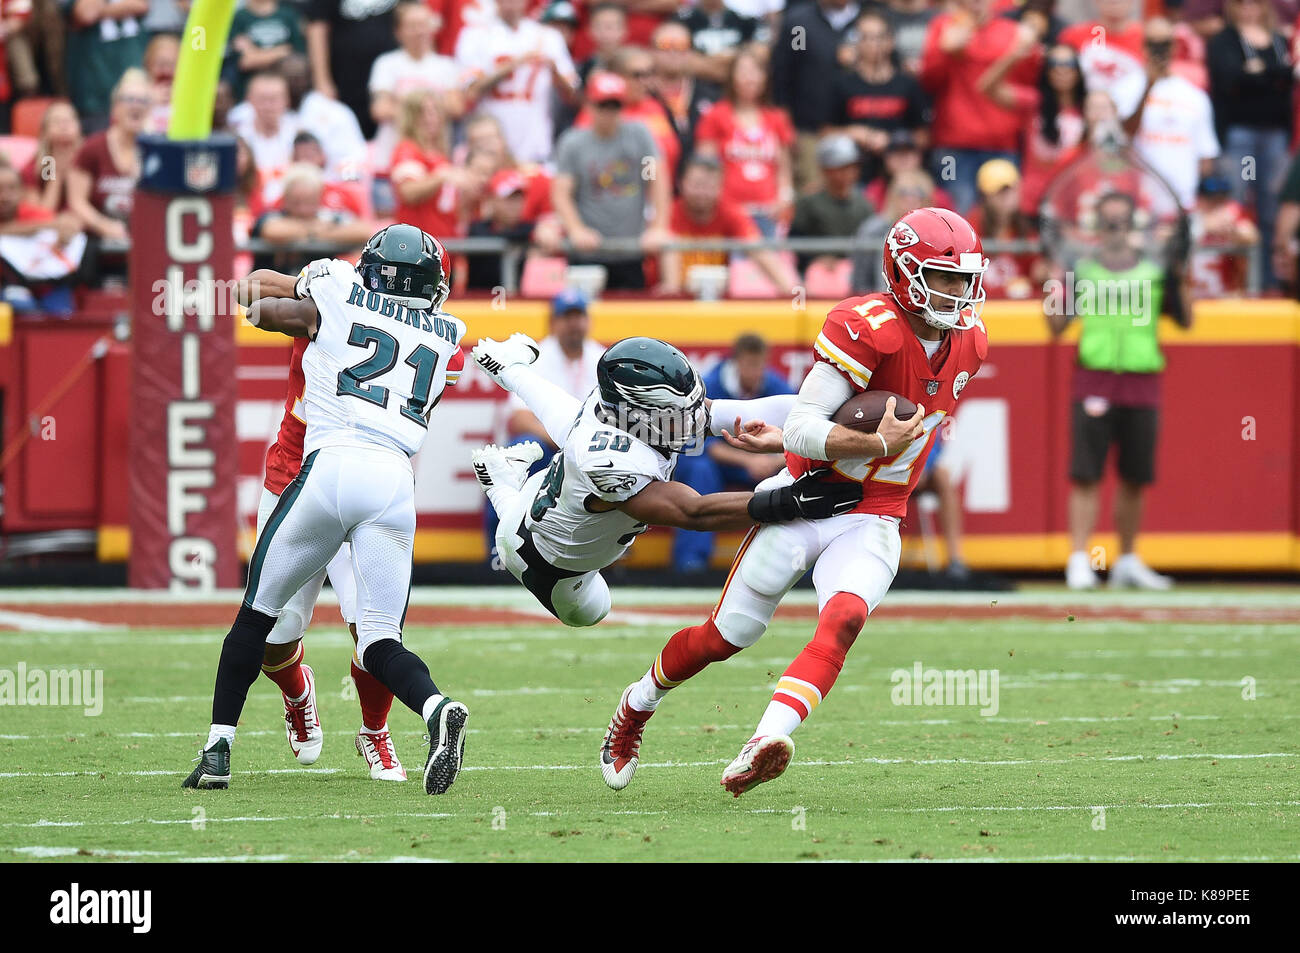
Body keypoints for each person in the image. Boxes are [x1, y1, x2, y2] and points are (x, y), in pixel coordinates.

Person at [597, 207, 988, 796]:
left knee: (846, 617)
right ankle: (635, 705)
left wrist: (856, 444)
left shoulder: (971, 343)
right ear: (904, 273)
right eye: (945, 277)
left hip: (877, 509)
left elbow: (879, 420)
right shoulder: (865, 326)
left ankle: (764, 738)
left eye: (965, 278)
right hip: (808, 497)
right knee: (725, 637)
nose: (959, 293)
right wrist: (869, 439)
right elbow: (808, 427)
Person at [184, 225, 470, 794]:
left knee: (259, 613)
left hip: (327, 468)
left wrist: (264, 289)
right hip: (373, 478)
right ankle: (420, 705)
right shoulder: (448, 333)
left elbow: (260, 309)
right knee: (358, 636)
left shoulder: (337, 292)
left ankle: (234, 746)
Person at [469, 333, 862, 628]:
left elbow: (745, 410)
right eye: (675, 412)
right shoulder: (608, 460)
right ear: (633, 413)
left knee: (568, 425)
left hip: (549, 496)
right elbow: (693, 511)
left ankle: (509, 371)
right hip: (549, 562)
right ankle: (504, 484)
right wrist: (791, 501)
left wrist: (828, 410)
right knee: (591, 611)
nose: (691, 419)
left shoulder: (617, 408)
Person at [1046, 191, 1191, 590]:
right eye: (1107, 222)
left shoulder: (1155, 270)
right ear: (1096, 225)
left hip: (1142, 377)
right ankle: (1079, 559)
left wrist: (1180, 270)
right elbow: (1056, 327)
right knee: (1086, 473)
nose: (1114, 230)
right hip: (1094, 375)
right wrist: (1053, 283)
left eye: (1120, 222)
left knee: (1135, 475)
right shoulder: (1082, 268)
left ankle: (1126, 558)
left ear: (1132, 224)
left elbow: (1186, 319)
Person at [672, 333, 794, 573]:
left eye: (761, 364)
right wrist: (750, 461)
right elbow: (699, 442)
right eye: (750, 364)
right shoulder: (710, 385)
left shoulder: (775, 385)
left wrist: (773, 461)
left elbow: (799, 434)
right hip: (723, 463)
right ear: (736, 362)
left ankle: (795, 563)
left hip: (766, 461)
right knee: (699, 469)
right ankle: (691, 563)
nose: (756, 371)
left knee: (799, 471)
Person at [919, 0, 1044, 214]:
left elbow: (1029, 87)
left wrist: (1032, 52)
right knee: (956, 214)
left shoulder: (1014, 32)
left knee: (1004, 216)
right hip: (953, 146)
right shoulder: (944, 26)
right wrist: (944, 51)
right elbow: (928, 83)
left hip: (1002, 144)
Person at [551, 71, 672, 292]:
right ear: (589, 105)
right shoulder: (574, 143)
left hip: (630, 250)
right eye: (602, 106)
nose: (609, 113)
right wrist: (576, 229)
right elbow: (562, 192)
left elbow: (654, 178)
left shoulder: (638, 135)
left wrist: (658, 226)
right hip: (588, 251)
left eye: (614, 106)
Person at [1206, 0, 1291, 287]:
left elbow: (1287, 78)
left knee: (1270, 208)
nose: (1248, 9)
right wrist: (1272, 74)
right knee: (1238, 207)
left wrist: (1259, 72)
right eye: (1242, 3)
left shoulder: (1279, 39)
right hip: (1243, 136)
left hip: (1274, 134)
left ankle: (1267, 279)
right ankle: (1235, 280)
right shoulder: (1225, 40)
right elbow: (1230, 79)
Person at [455, 0, 579, 165]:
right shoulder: (475, 35)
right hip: (490, 146)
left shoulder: (546, 36)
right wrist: (513, 65)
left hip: (534, 141)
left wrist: (553, 69)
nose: (511, 4)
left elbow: (573, 92)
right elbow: (470, 91)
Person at [1118, 17, 1221, 210]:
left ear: (1174, 47)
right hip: (1137, 199)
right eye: (1153, 44)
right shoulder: (1124, 88)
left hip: (1182, 199)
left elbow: (1206, 156)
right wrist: (1148, 87)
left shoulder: (1195, 95)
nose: (1159, 51)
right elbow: (1124, 136)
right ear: (1143, 46)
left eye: (1164, 44)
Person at [693, 47, 795, 237]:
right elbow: (704, 168)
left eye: (756, 72)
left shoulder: (777, 118)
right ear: (732, 77)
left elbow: (784, 169)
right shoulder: (715, 116)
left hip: (769, 213)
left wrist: (784, 198)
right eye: (744, 72)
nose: (750, 78)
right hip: (727, 212)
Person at [662, 153, 796, 295]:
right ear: (681, 183)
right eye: (697, 185)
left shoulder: (730, 213)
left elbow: (758, 250)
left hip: (715, 298)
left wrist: (791, 291)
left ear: (721, 187)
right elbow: (667, 251)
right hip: (671, 299)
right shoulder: (667, 213)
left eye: (710, 186)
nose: (702, 193)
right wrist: (671, 293)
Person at [769, 0, 864, 190]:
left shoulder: (869, 20)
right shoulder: (799, 24)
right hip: (809, 131)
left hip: (860, 132)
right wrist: (786, 127)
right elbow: (781, 77)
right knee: (812, 192)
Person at [830, 8, 931, 185]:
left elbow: (923, 136)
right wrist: (854, 133)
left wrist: (895, 143)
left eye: (878, 37)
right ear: (857, 42)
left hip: (899, 176)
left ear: (890, 41)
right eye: (865, 37)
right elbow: (826, 133)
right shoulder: (842, 84)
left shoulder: (908, 84)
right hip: (855, 175)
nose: (872, 44)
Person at [368, 1, 466, 178]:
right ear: (398, 32)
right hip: (391, 161)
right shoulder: (387, 64)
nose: (419, 31)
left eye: (423, 25)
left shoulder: (446, 66)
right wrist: (431, 110)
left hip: (436, 163)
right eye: (412, 26)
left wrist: (405, 105)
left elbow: (456, 107)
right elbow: (380, 109)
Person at [305, 0, 401, 140]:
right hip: (345, 80)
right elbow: (317, 27)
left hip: (390, 81)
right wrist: (322, 80)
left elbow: (411, 15)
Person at [789, 134, 874, 275]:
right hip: (816, 274)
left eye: (853, 167)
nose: (850, 172)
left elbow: (870, 244)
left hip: (855, 273)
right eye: (842, 167)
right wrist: (816, 258)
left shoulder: (864, 204)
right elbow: (795, 242)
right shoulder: (808, 203)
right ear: (826, 170)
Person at [225, 0, 305, 101]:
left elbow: (297, 57)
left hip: (286, 95)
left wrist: (256, 53)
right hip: (247, 93)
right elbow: (245, 62)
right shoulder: (238, 17)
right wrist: (280, 51)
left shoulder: (288, 15)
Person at [22, 100, 81, 213]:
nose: (64, 126)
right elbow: (40, 214)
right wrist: (56, 174)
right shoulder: (36, 166)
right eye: (56, 121)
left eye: (68, 120)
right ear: (44, 131)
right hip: (48, 225)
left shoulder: (90, 158)